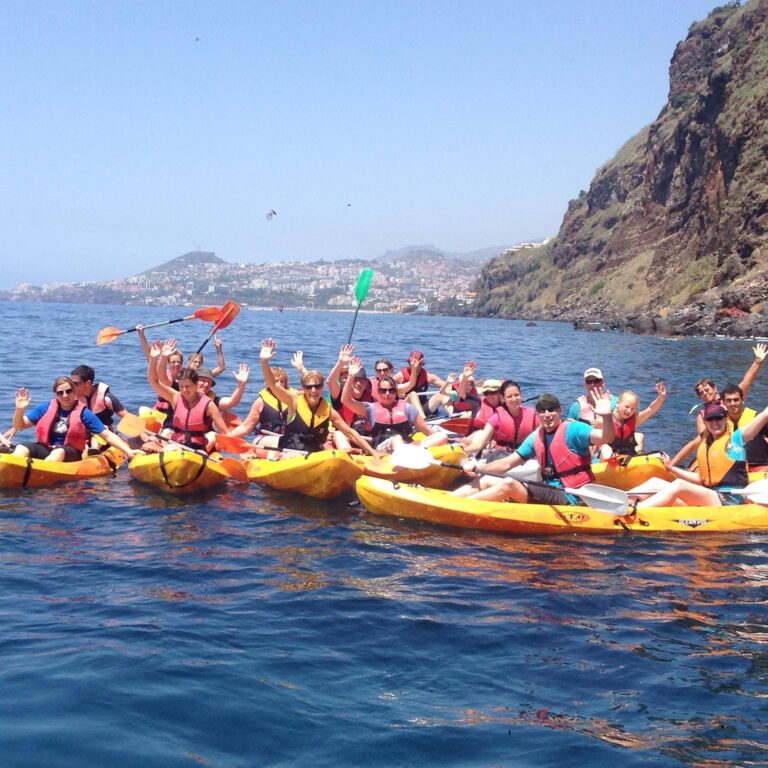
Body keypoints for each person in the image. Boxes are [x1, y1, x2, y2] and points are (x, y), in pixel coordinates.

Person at [453, 390, 614, 503]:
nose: (547, 414)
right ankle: (450, 500)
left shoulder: (574, 429)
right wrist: (479, 468)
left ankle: (460, 507)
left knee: (509, 483)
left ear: (560, 410)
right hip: (548, 490)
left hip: (573, 495)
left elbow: (606, 437)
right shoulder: (536, 437)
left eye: (551, 409)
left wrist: (607, 417)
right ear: (537, 414)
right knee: (488, 479)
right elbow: (507, 463)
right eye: (542, 411)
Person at [628, 402, 768, 508]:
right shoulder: (706, 444)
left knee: (679, 485)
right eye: (710, 419)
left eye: (718, 418)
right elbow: (701, 479)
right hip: (709, 496)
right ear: (705, 422)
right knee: (655, 482)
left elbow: (762, 417)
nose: (715, 423)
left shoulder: (736, 439)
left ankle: (634, 512)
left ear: (726, 419)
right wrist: (671, 468)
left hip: (729, 499)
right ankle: (625, 502)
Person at [259, 338, 378, 456]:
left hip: (314, 456)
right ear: (304, 388)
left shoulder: (327, 409)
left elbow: (350, 433)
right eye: (309, 387)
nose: (313, 390)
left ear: (321, 388)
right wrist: (264, 361)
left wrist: (372, 452)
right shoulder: (293, 400)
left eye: (317, 386)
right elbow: (272, 384)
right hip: (291, 453)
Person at [668, 343, 767, 467]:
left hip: (749, 447)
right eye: (701, 392)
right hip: (723, 452)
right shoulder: (702, 415)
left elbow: (746, 381)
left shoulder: (730, 398)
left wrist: (757, 362)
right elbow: (702, 440)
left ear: (715, 388)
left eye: (707, 389)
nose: (705, 393)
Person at [11, 377, 140, 462]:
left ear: (74, 392)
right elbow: (19, 426)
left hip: (70, 452)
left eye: (68, 391)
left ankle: (39, 474)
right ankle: (10, 470)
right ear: (55, 394)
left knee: (59, 452)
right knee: (22, 447)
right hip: (46, 448)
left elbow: (107, 435)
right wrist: (20, 410)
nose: (65, 395)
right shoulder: (46, 408)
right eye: (60, 393)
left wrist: (128, 451)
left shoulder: (84, 413)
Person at [341, 358, 448, 452]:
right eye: (383, 391)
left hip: (408, 446)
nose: (387, 394)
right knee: (396, 439)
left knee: (441, 436)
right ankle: (408, 455)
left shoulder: (408, 408)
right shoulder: (370, 409)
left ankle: (411, 454)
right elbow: (346, 400)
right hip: (384, 446)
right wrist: (350, 376)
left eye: (391, 390)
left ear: (396, 392)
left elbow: (429, 432)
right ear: (378, 393)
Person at [147, 343, 232, 452]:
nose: (184, 390)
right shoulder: (175, 397)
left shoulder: (208, 404)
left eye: (188, 387)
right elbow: (153, 381)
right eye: (181, 387)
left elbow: (225, 433)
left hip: (198, 450)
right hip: (177, 445)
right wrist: (154, 358)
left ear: (196, 385)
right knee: (169, 449)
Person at [462, 380, 538, 460]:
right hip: (501, 457)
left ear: (521, 395)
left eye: (516, 395)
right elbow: (479, 445)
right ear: (503, 398)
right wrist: (462, 451)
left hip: (525, 457)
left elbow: (541, 441)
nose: (514, 399)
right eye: (509, 396)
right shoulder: (496, 418)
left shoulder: (534, 416)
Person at [227, 366, 293, 450]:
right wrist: (228, 437)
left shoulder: (293, 400)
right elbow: (246, 427)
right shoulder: (260, 402)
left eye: (282, 381)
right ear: (269, 383)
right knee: (280, 441)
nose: (279, 384)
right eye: (276, 381)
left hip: (286, 442)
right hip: (264, 440)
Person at [598, 382, 667, 460]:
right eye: (626, 406)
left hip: (629, 458)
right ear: (618, 403)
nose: (629, 411)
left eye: (632, 408)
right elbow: (591, 438)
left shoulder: (634, 420)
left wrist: (662, 396)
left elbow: (651, 409)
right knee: (605, 448)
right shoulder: (606, 420)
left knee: (661, 456)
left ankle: (637, 462)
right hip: (611, 458)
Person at [719, 383, 768, 472]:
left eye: (736, 400)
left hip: (759, 467)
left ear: (743, 400)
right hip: (732, 468)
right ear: (723, 402)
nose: (732, 403)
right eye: (729, 400)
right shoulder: (719, 423)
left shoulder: (757, 419)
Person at [70, 364, 128, 429]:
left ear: (88, 383)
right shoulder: (70, 398)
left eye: (75, 384)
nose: (72, 387)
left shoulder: (106, 398)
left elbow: (128, 419)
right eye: (71, 383)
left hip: (104, 436)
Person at [393, 350, 447, 418]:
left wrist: (449, 382)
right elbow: (387, 389)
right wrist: (396, 394)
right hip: (406, 409)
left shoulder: (427, 376)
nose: (414, 365)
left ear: (421, 364)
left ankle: (453, 415)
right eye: (411, 363)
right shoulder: (400, 376)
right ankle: (423, 420)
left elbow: (447, 386)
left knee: (441, 395)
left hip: (422, 408)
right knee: (413, 394)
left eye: (417, 363)